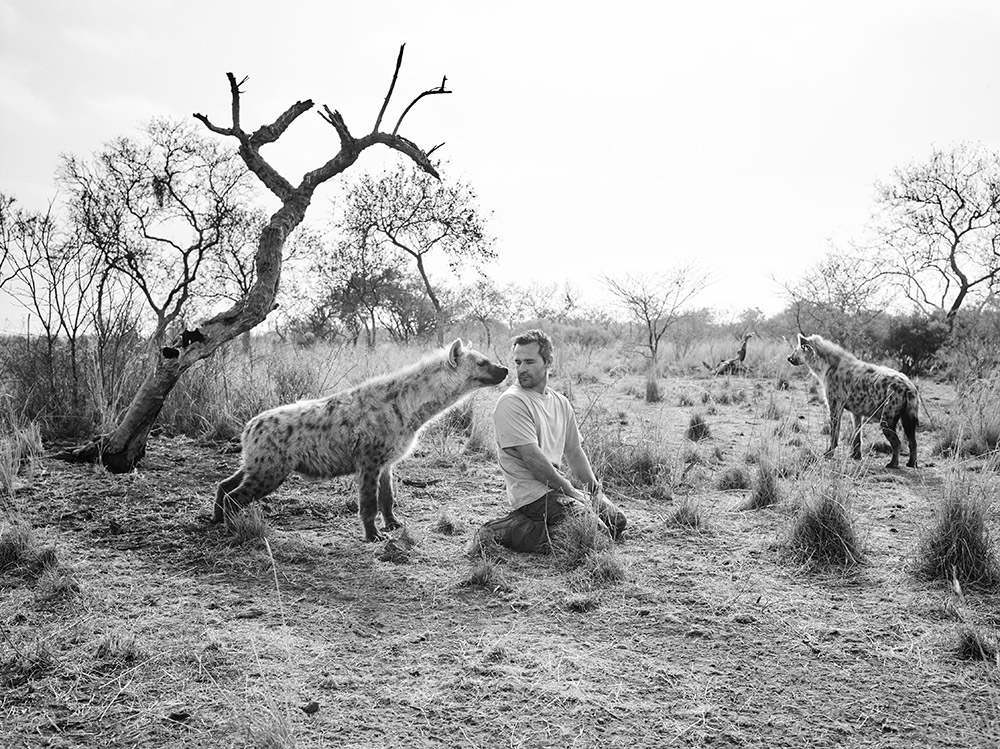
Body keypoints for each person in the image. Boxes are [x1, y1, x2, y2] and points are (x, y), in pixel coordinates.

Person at [478, 329, 627, 553]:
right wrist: (574, 494)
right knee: (596, 534)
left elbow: (574, 451)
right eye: (518, 362)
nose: (521, 369)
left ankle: (544, 524)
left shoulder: (560, 402)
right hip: (533, 495)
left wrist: (596, 493)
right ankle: (502, 530)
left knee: (616, 522)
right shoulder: (512, 402)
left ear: (548, 362)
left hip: (555, 490)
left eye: (529, 361)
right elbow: (534, 461)